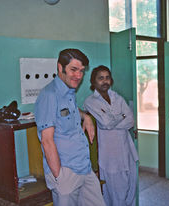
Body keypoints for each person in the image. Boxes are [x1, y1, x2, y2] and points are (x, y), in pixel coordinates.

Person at [34, 49, 106, 206]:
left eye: (81, 71)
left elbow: (68, 111)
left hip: (84, 166)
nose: (79, 76)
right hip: (66, 171)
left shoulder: (69, 92)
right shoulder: (49, 95)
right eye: (74, 70)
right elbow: (47, 141)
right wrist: (59, 178)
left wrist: (85, 116)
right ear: (60, 68)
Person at [83, 65, 139, 206]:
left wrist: (115, 119)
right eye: (100, 78)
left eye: (107, 77)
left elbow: (131, 121)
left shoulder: (117, 98)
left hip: (128, 153)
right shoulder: (90, 102)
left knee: (131, 193)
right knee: (115, 196)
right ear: (93, 82)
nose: (105, 81)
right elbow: (105, 124)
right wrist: (122, 116)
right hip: (110, 157)